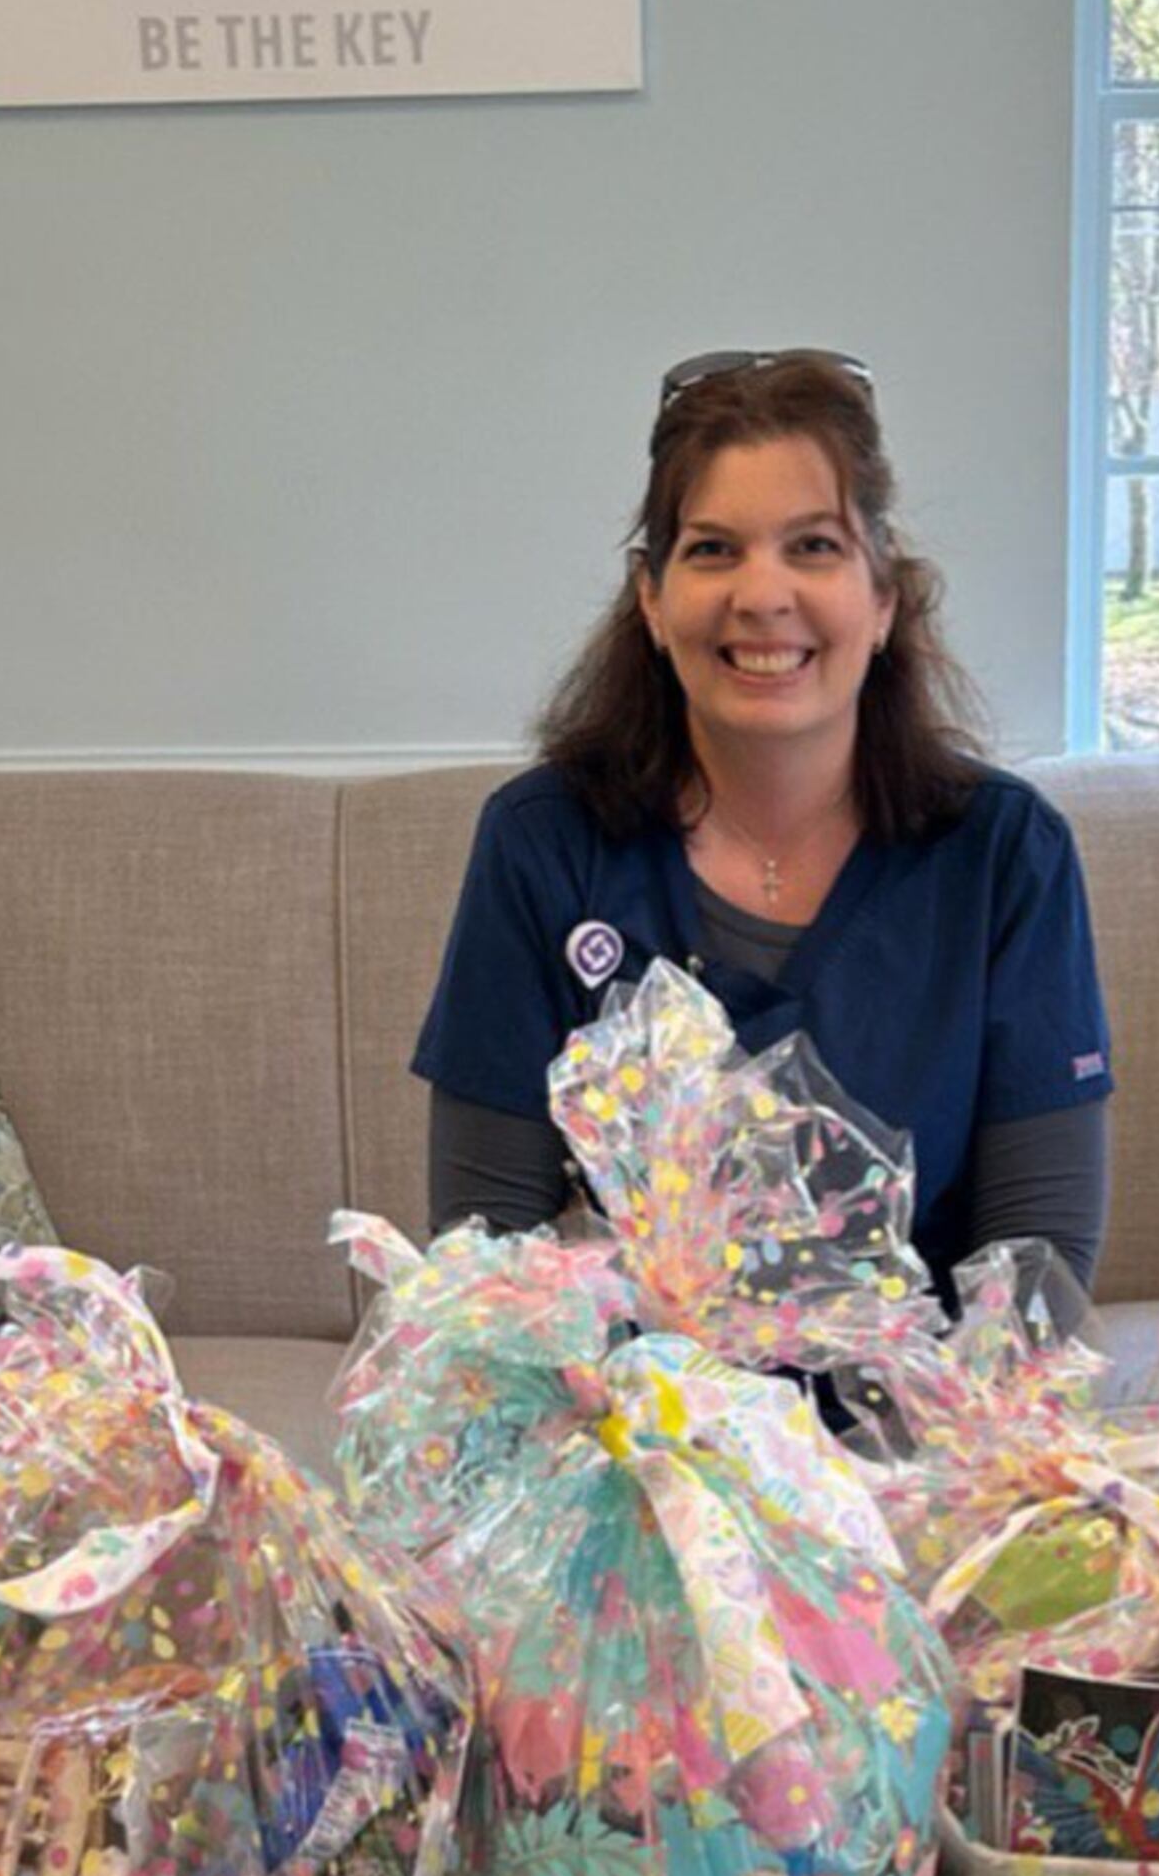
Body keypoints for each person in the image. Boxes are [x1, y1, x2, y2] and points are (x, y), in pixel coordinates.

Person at [412, 350, 1114, 1290]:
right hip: (615, 1385)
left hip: (940, 1383)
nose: (763, 596)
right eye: (713, 550)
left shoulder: (1006, 854)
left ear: (883, 598)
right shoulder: (541, 844)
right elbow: (486, 1249)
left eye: (814, 546)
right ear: (652, 600)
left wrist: (901, 1389)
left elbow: (1041, 1260)